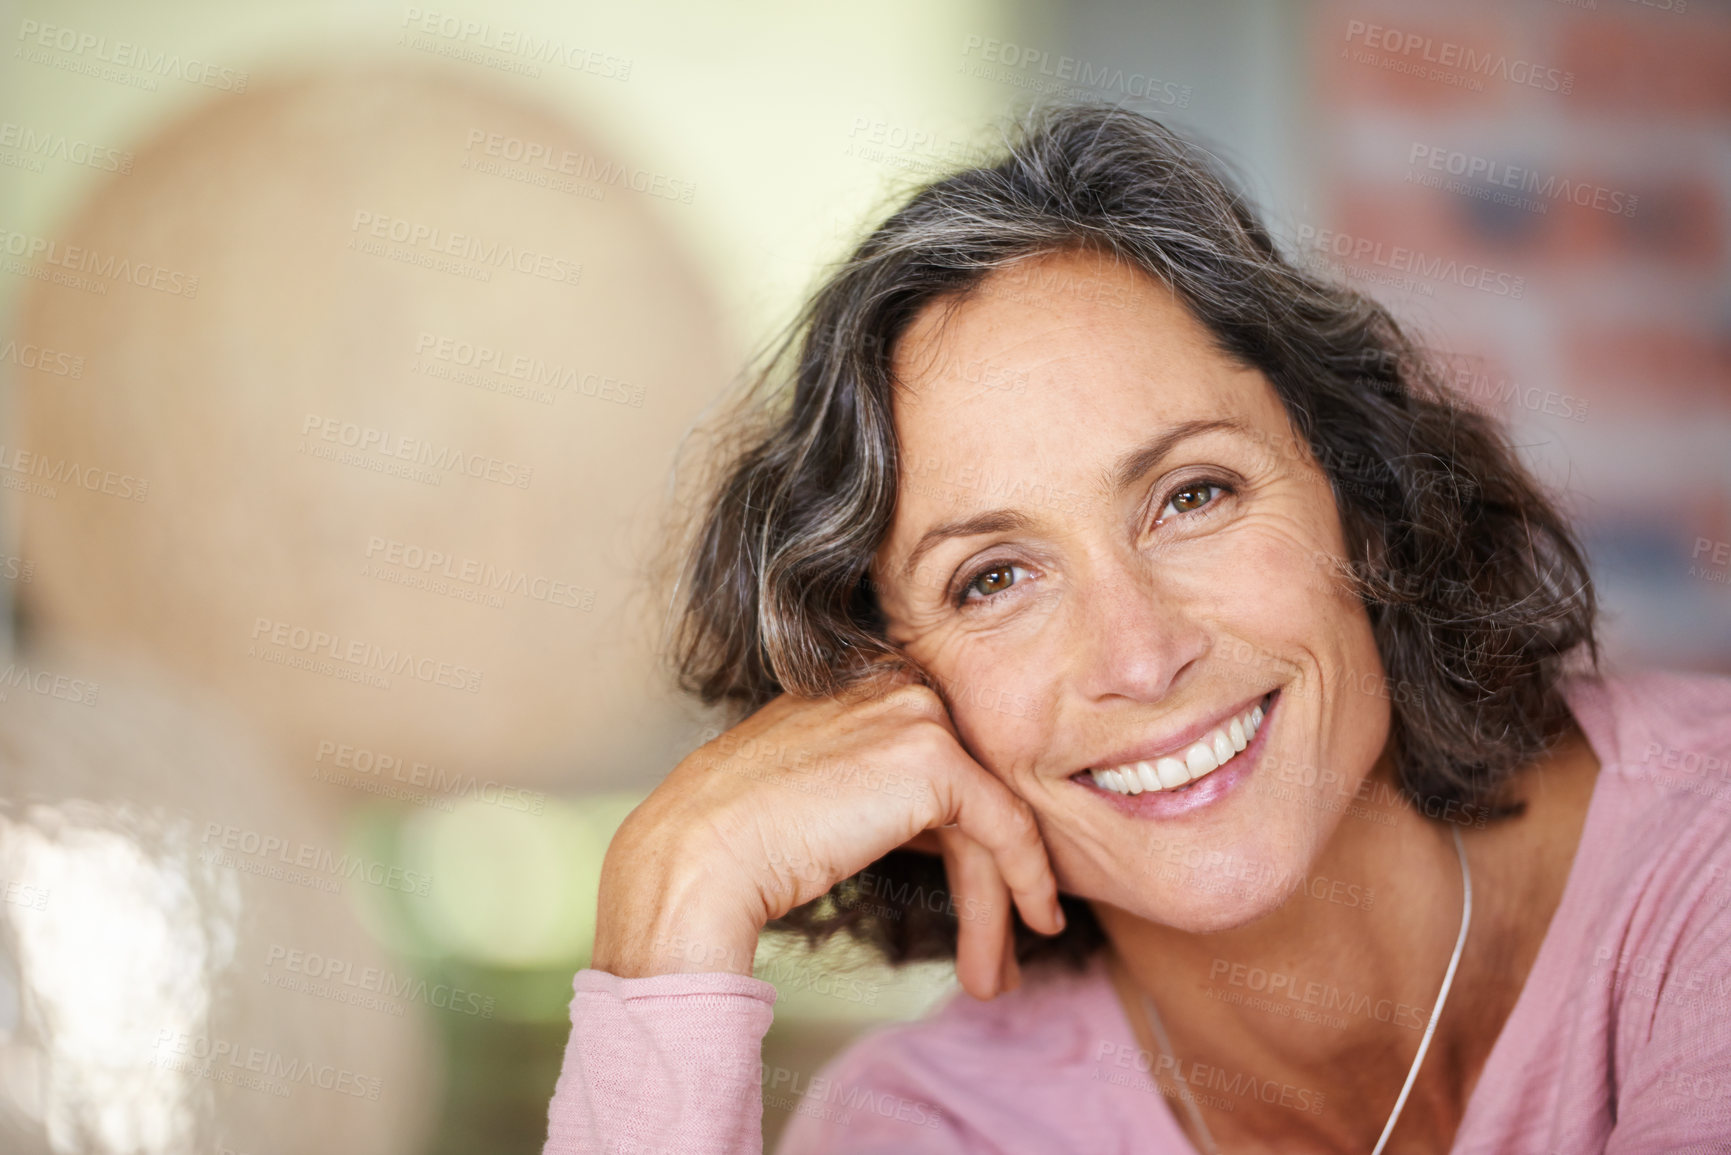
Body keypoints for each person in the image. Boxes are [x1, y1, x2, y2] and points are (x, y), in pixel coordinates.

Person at [541, 105, 1731, 1154]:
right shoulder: (933, 1126)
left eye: (1193, 496)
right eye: (994, 579)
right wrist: (671, 898)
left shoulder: (1701, 861)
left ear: (1363, 503)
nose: (1139, 655)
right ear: (887, 697)